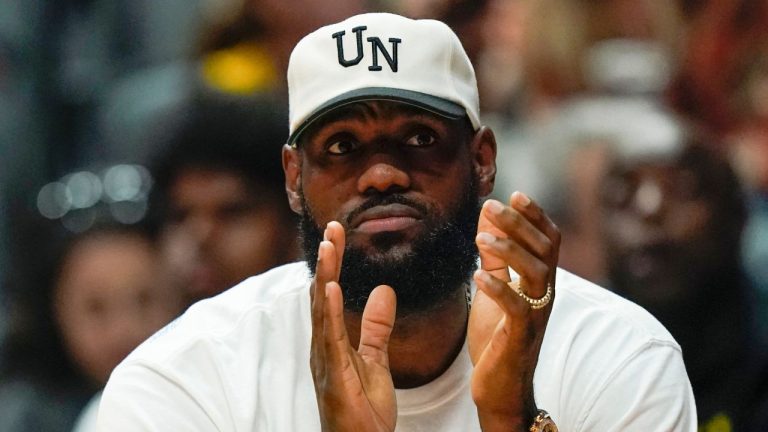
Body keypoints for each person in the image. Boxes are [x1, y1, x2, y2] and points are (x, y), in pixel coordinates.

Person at [98, 13, 696, 431]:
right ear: (292, 178)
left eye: (419, 137)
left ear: (482, 160)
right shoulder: (187, 382)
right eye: (340, 147)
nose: (382, 175)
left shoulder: (617, 356)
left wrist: (515, 422)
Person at [598, 136, 768, 430]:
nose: (649, 208)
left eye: (683, 189)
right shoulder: (564, 347)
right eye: (622, 193)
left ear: (737, 218)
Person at [0, 222, 181, 432]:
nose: (123, 331)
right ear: (56, 309)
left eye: (145, 300)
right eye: (96, 308)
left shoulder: (203, 394)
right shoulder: (23, 418)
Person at [148, 93, 300, 306]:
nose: (201, 235)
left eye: (232, 213)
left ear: (293, 222)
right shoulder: (151, 339)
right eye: (180, 216)